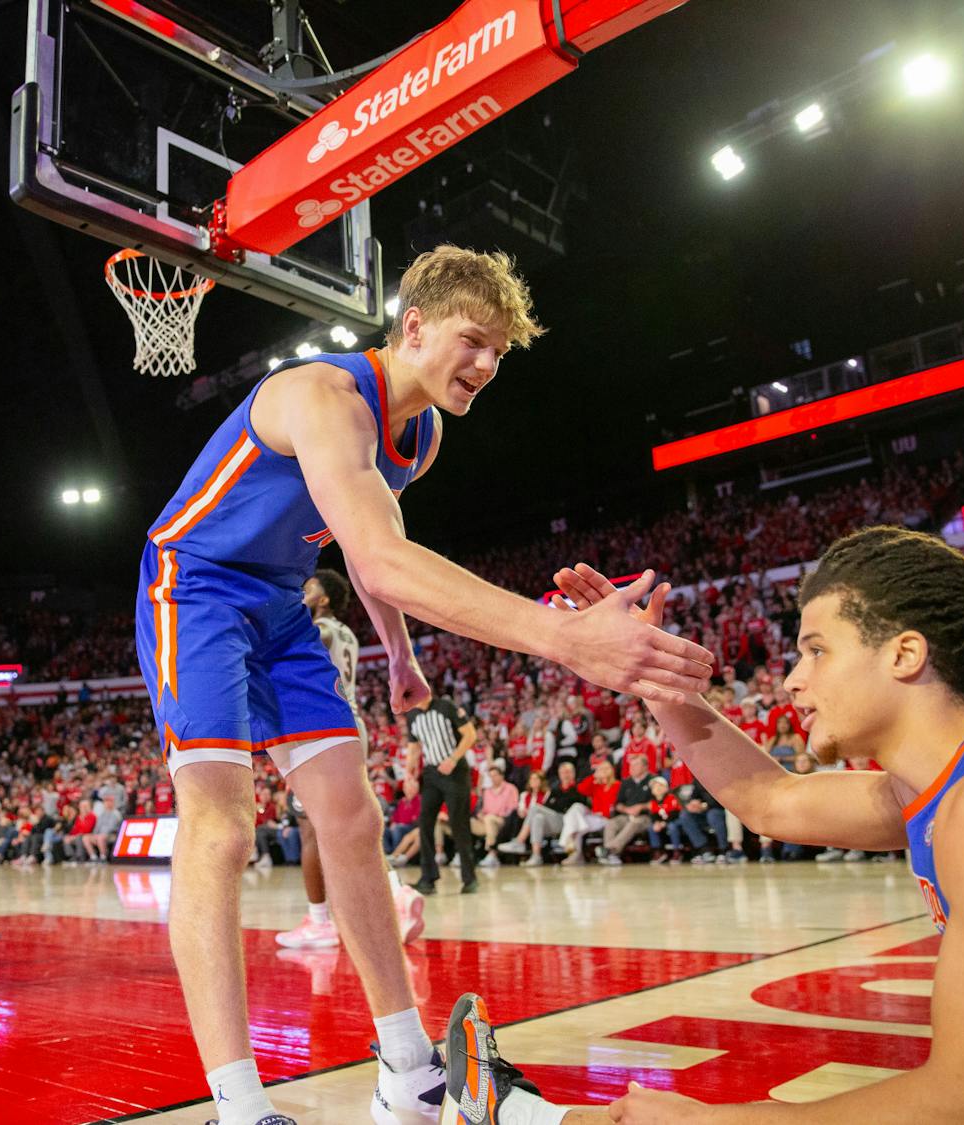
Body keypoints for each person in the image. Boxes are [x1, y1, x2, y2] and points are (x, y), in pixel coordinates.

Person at [134, 244, 709, 1125]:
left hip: (282, 604)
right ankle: (238, 1106)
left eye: (498, 353)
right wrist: (562, 638)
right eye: (471, 340)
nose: (483, 365)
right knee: (222, 825)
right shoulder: (324, 397)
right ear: (412, 326)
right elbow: (383, 556)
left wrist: (400, 653)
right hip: (197, 586)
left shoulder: (423, 435)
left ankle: (407, 1068)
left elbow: (370, 548)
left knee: (354, 816)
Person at [554, 528, 964, 1124]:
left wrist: (712, 1121)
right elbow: (772, 801)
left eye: (818, 651)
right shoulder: (932, 787)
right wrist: (649, 673)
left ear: (904, 654)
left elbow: (960, 1097)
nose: (793, 680)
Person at [277, 569, 424, 951]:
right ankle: (395, 894)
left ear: (323, 600)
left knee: (310, 830)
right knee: (350, 826)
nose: (302, 593)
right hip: (351, 724)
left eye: (308, 589)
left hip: (322, 730)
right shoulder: (349, 634)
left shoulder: (320, 630)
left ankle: (320, 921)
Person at [410, 695, 478, 894]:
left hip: (455, 771)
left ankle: (469, 878)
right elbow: (413, 747)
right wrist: (408, 774)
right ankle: (428, 878)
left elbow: (470, 735)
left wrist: (453, 759)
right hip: (431, 773)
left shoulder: (446, 706)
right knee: (425, 822)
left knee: (459, 824)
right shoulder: (413, 714)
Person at [476, 762, 519, 869]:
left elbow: (513, 808)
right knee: (466, 822)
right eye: (491, 776)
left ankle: (492, 854)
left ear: (501, 776)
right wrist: (480, 815)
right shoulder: (486, 791)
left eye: (495, 775)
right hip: (486, 821)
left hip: (503, 821)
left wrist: (495, 815)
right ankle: (461, 853)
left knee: (490, 819)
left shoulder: (511, 788)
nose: (493, 778)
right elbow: (482, 809)